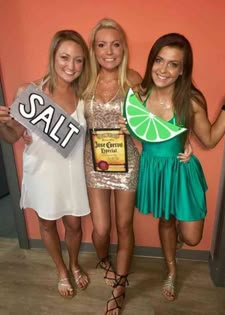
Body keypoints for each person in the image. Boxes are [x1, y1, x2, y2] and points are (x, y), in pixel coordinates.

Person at [121, 32, 225, 302]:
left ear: (183, 69)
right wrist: (128, 131)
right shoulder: (139, 95)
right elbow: (144, 131)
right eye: (159, 61)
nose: (164, 69)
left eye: (173, 64)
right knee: (165, 220)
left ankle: (176, 243)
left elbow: (208, 139)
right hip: (153, 169)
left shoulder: (191, 100)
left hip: (181, 171)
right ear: (151, 62)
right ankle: (171, 270)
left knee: (192, 237)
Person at [0, 30, 91, 297]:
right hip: (41, 173)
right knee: (48, 224)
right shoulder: (29, 93)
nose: (71, 66)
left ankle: (74, 264)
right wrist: (2, 126)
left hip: (72, 174)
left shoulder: (84, 96)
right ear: (53, 56)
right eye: (64, 57)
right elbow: (12, 136)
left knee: (74, 225)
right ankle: (61, 270)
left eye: (78, 60)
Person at [82, 18, 142, 315]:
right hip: (94, 162)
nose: (109, 51)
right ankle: (104, 258)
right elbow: (54, 100)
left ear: (123, 48)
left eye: (115, 44)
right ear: (93, 49)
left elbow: (152, 120)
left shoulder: (133, 79)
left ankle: (120, 284)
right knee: (102, 229)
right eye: (102, 44)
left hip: (127, 161)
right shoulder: (84, 81)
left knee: (124, 225)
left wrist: (183, 142)